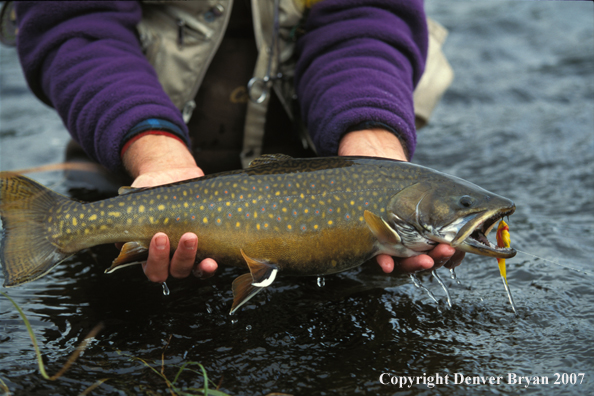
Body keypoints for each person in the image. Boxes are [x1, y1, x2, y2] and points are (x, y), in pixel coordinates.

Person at [13, 0, 462, 285]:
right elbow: (74, 20)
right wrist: (152, 145)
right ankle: (64, 224)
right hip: (126, 143)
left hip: (318, 164)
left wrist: (371, 138)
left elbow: (364, 15)